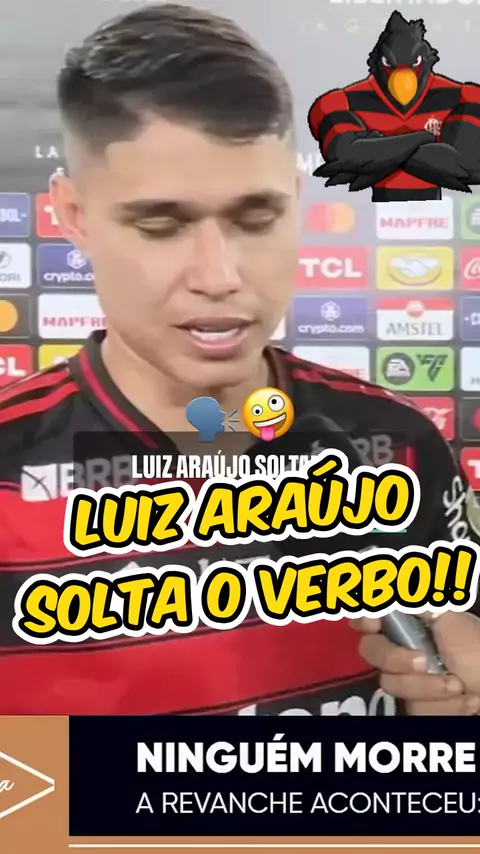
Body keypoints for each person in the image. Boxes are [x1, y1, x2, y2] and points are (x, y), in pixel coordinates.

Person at [0, 3, 479, 716]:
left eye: (257, 218)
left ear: (295, 200)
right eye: (160, 225)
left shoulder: (399, 446)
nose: (220, 275)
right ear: (74, 217)